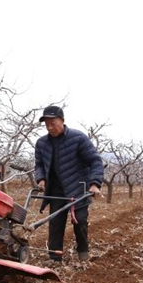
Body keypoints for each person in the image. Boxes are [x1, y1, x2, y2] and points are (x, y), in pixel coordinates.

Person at [33, 105, 104, 262]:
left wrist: (95, 183)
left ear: (62, 121)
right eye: (47, 124)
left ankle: (83, 253)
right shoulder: (42, 143)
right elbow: (39, 164)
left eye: (53, 123)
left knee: (80, 221)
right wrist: (41, 179)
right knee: (55, 223)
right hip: (56, 190)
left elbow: (95, 161)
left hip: (78, 188)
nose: (50, 127)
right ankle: (54, 257)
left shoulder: (78, 138)